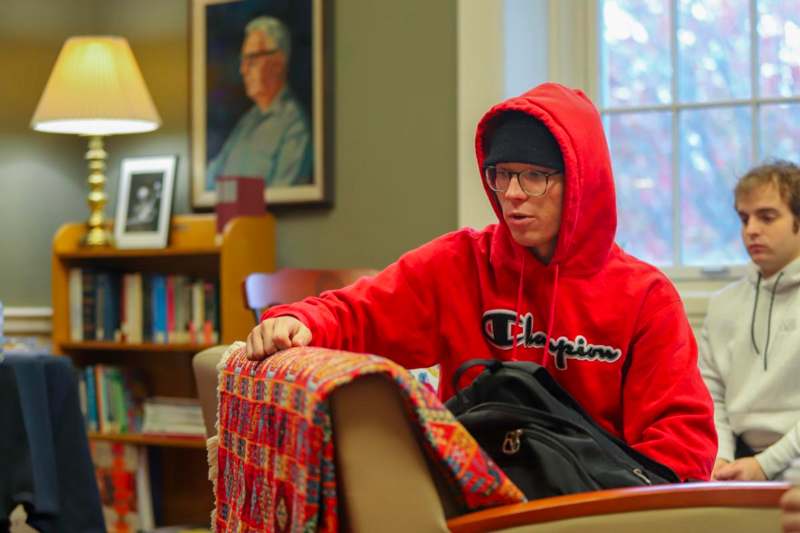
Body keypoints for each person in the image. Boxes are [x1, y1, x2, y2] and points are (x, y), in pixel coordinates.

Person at [246, 82, 716, 481]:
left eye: (534, 176)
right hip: (476, 495)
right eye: (502, 174)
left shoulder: (645, 297)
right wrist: (296, 319)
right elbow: (358, 312)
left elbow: (682, 449)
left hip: (591, 507)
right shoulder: (461, 262)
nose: (513, 195)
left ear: (579, 181)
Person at [699, 160, 800, 482]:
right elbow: (710, 392)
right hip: (738, 460)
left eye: (767, 217)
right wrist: (720, 457)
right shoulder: (723, 304)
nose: (751, 230)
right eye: (744, 219)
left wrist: (764, 466)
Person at [206, 16, 312, 190]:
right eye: (243, 60)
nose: (243, 69)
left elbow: (283, 200)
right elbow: (212, 178)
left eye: (252, 59)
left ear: (278, 62)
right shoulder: (248, 121)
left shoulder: (294, 127)